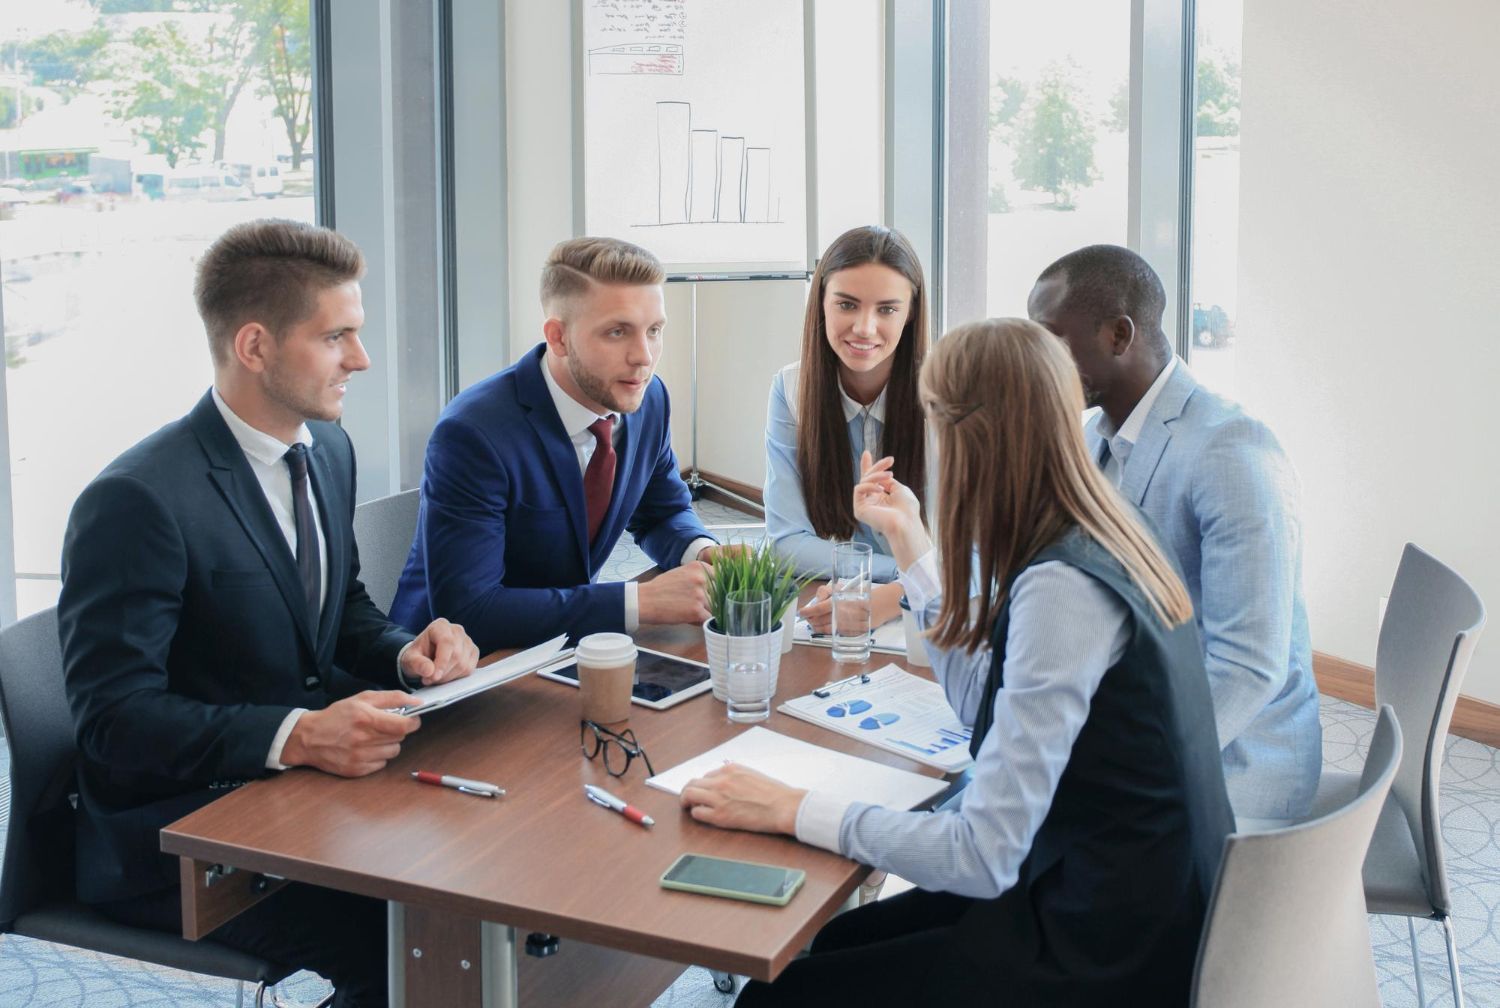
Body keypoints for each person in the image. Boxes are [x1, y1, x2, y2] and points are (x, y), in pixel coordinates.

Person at [681, 319, 1234, 1006]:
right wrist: (910, 541)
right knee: (827, 947)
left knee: (781, 995)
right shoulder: (1102, 522)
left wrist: (793, 808)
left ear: (969, 438)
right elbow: (988, 709)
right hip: (1101, 884)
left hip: (1109, 945)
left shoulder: (1063, 590)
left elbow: (981, 854)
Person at [58, 219, 480, 1008]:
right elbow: (112, 720)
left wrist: (403, 652)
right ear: (255, 346)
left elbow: (340, 609)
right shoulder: (139, 500)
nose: (361, 359)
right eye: (338, 337)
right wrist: (297, 734)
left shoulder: (327, 451)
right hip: (178, 836)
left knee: (480, 878)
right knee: (420, 939)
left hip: (300, 799)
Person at [1028, 244, 1321, 822]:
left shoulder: (1229, 451)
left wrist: (1118, 765)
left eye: (1052, 342)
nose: (1039, 364)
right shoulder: (1093, 437)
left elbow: (1248, 669)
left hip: (1229, 765)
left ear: (1118, 335)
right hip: (1134, 711)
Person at [390, 236, 733, 652]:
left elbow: (661, 514)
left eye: (654, 330)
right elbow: (471, 611)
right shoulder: (473, 434)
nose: (644, 356)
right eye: (617, 332)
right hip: (454, 671)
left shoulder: (649, 399)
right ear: (558, 337)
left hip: (558, 648)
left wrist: (700, 552)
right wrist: (636, 602)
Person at [763, 224, 929, 632]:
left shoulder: (950, 396)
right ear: (821, 304)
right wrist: (899, 575)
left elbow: (982, 562)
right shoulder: (791, 389)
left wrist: (893, 595)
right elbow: (785, 545)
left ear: (910, 315)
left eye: (887, 309)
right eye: (847, 305)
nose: (864, 328)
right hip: (838, 600)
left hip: (933, 618)